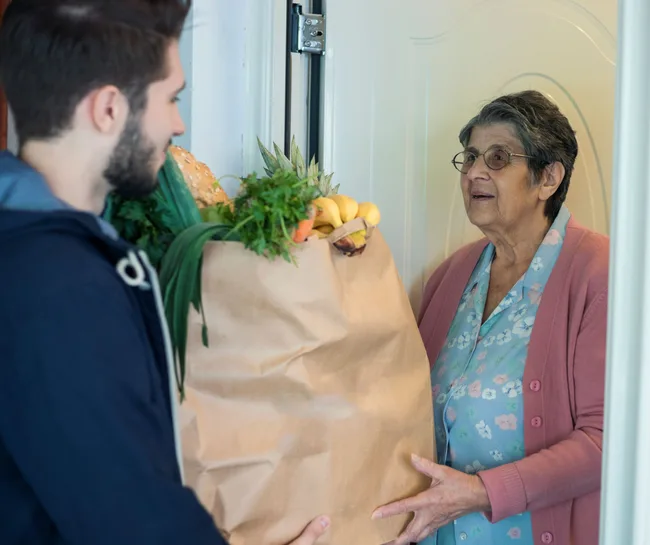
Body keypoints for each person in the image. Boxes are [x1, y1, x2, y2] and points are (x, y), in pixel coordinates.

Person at [0, 1, 329, 544]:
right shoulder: (58, 285)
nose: (178, 124)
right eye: (171, 98)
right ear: (109, 109)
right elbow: (127, 515)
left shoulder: (34, 249)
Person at [372, 91, 607, 545]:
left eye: (498, 158)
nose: (474, 173)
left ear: (548, 178)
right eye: (470, 157)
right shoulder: (451, 276)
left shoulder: (599, 273)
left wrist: (481, 493)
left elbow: (607, 441)